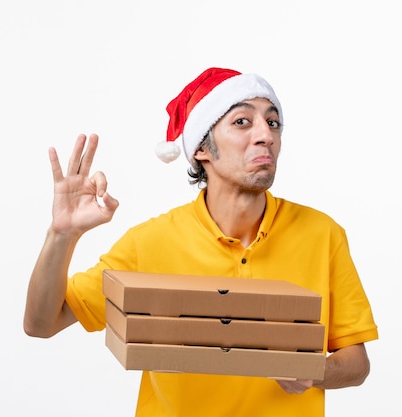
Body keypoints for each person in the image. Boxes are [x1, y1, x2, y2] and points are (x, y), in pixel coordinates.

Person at [24, 67, 378, 417]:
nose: (266, 135)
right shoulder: (151, 242)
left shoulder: (323, 234)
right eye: (242, 122)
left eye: (273, 123)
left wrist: (316, 372)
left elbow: (356, 362)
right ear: (202, 149)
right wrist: (62, 234)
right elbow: (42, 323)